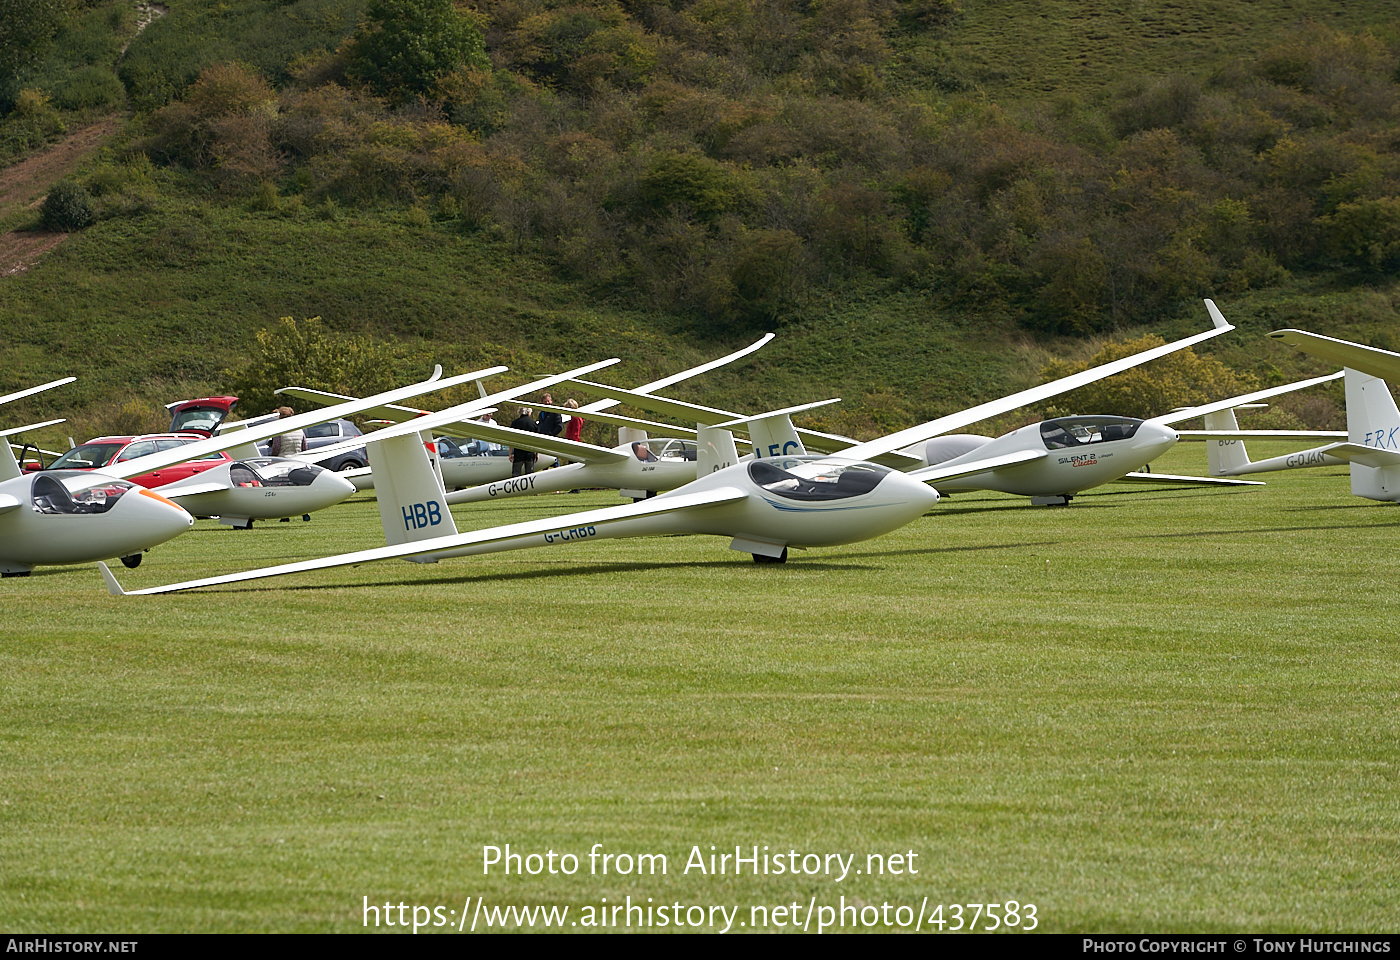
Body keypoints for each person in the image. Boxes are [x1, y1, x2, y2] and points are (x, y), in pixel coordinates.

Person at [509, 406, 538, 477]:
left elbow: (511, 439)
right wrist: (537, 453)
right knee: (529, 474)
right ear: (529, 412)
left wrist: (510, 453)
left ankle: (516, 487)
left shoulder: (515, 423)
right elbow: (537, 440)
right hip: (530, 452)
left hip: (518, 452)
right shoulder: (533, 423)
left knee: (516, 473)